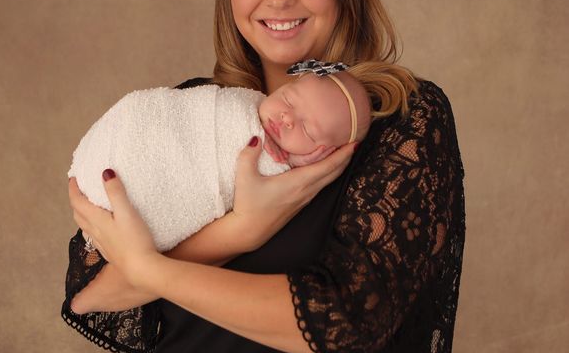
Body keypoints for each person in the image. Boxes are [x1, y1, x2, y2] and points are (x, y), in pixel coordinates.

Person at [65, 0, 465, 353]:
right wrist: (242, 230)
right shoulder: (191, 113)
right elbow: (93, 298)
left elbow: (349, 325)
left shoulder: (403, 117)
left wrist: (151, 270)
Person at [67, 63, 373, 253]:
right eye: (289, 100)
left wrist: (295, 164)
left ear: (325, 155)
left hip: (142, 196)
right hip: (130, 137)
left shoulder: (280, 171)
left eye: (307, 129)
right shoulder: (239, 99)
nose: (287, 118)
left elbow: (264, 188)